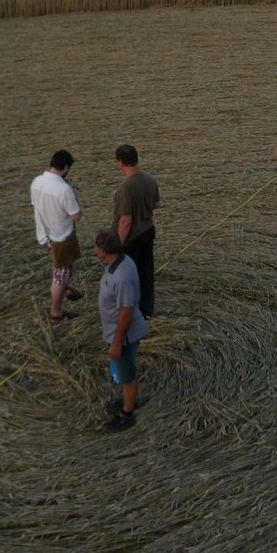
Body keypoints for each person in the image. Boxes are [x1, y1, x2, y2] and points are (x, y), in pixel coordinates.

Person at [94, 226, 148, 432]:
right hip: (119, 333)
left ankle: (127, 414)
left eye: (95, 246)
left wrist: (117, 343)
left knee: (127, 374)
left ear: (103, 250)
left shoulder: (122, 276)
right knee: (126, 370)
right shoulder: (120, 261)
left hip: (123, 336)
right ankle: (129, 400)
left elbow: (125, 311)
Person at [30, 149, 83, 322]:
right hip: (62, 237)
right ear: (66, 166)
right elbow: (77, 216)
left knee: (65, 267)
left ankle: (67, 288)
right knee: (59, 275)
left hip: (46, 234)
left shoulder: (37, 182)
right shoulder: (64, 189)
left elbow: (39, 204)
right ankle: (56, 313)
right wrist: (74, 195)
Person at [112, 144, 160, 320]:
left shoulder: (126, 187)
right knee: (146, 274)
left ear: (120, 162)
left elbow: (125, 221)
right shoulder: (149, 179)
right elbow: (156, 204)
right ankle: (147, 311)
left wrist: (118, 245)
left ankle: (131, 314)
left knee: (128, 277)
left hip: (131, 238)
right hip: (148, 232)